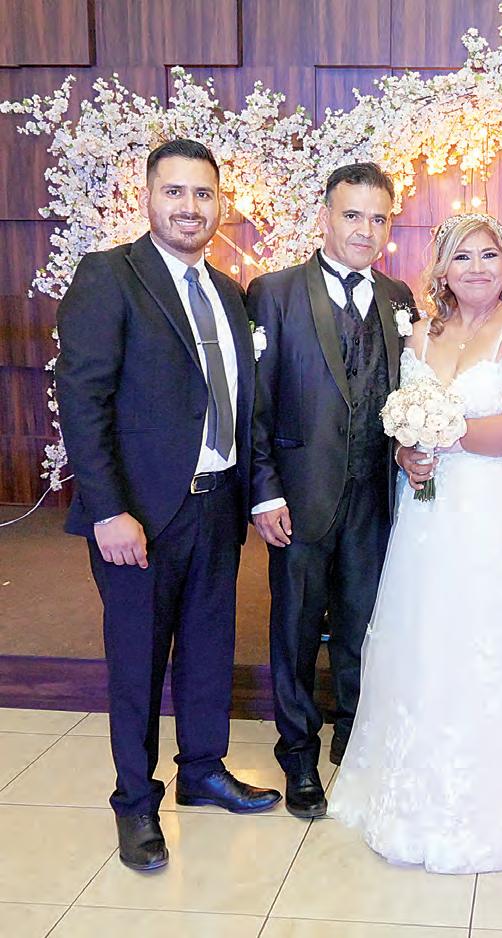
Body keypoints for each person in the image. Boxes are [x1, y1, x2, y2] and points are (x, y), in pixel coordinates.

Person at [55, 139, 281, 872]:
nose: (190, 207)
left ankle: (204, 770)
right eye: (175, 192)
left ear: (221, 204)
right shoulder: (109, 276)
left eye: (203, 194)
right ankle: (134, 802)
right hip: (140, 516)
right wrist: (107, 509)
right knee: (138, 662)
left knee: (211, 647)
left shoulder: (230, 292)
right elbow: (82, 399)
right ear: (147, 197)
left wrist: (256, 490)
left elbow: (244, 403)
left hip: (218, 504)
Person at [327, 213, 502, 874]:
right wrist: (409, 450)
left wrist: (446, 431)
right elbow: (405, 422)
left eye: (488, 255)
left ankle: (498, 784)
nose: (476, 269)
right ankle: (416, 776)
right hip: (432, 508)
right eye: (462, 257)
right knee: (429, 631)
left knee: (492, 635)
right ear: (441, 270)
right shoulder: (423, 331)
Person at [249, 162, 417, 819]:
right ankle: (298, 753)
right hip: (300, 495)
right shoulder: (275, 292)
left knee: (362, 623)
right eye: (352, 215)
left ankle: (353, 733)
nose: (365, 230)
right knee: (295, 628)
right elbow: (255, 403)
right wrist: (265, 490)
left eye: (378, 218)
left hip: (376, 493)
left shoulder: (399, 298)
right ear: (324, 218)